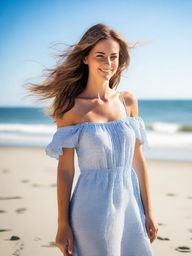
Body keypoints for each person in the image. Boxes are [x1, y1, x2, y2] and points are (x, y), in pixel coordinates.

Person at [26, 23, 158, 256]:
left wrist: (149, 211)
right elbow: (65, 171)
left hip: (130, 207)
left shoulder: (128, 102)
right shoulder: (70, 109)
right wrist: (62, 224)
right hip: (91, 210)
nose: (108, 64)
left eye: (113, 57)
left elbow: (138, 161)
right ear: (85, 58)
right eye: (100, 56)